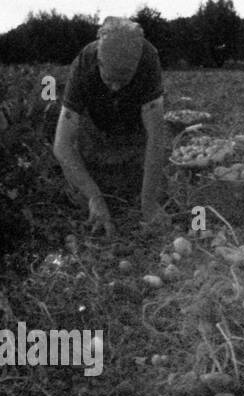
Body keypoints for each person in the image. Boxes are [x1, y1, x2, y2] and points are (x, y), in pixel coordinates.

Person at [52, 17, 168, 236]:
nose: (115, 88)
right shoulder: (84, 64)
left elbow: (156, 137)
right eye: (109, 79)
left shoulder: (149, 60)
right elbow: (62, 144)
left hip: (132, 128)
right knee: (82, 195)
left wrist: (148, 202)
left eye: (123, 80)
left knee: (142, 192)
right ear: (99, 61)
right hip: (94, 129)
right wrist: (94, 196)